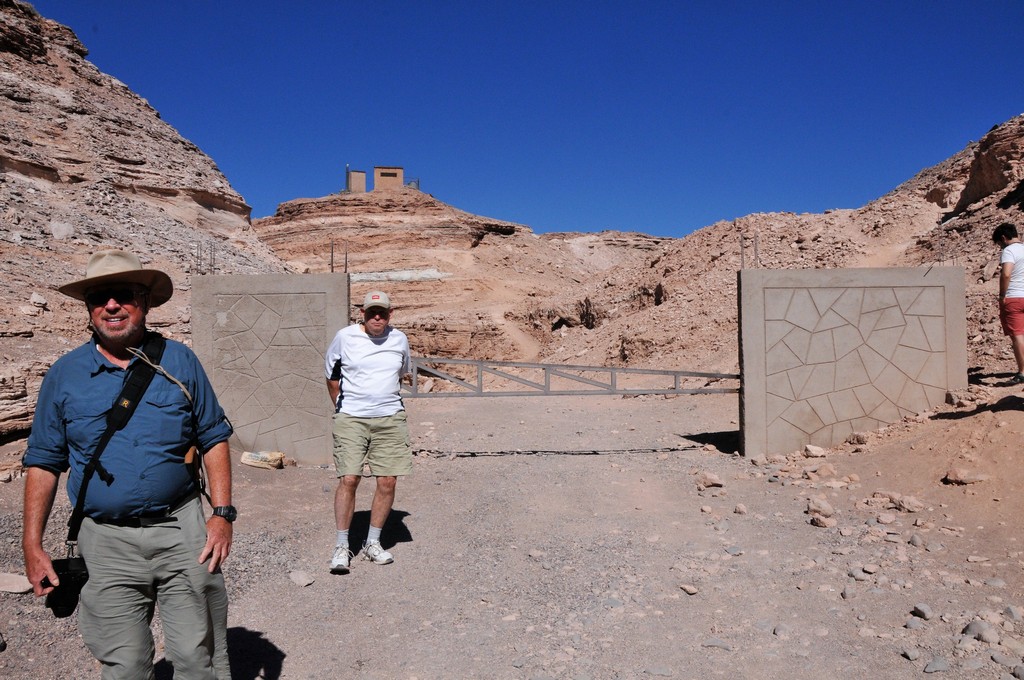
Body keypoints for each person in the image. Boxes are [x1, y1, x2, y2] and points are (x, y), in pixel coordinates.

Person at [22, 250, 236, 680]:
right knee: (125, 664)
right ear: (88, 309)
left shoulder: (180, 362)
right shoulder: (64, 375)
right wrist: (32, 543)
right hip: (105, 542)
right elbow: (44, 462)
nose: (111, 305)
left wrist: (222, 514)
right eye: (99, 297)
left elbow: (213, 437)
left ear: (145, 301)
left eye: (123, 294)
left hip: (181, 531)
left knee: (197, 657)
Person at [324, 290, 412, 573]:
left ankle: (373, 542)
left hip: (390, 418)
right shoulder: (345, 337)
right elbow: (331, 376)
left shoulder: (399, 339)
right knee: (349, 478)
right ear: (362, 313)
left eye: (382, 313)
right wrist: (342, 407)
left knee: (387, 481)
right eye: (371, 312)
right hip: (352, 418)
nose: (377, 317)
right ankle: (342, 545)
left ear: (390, 314)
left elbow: (401, 372)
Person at [993, 222, 1024, 383]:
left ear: (1004, 238)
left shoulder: (1009, 251)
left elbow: (1006, 274)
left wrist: (1002, 295)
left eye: (999, 243)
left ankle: (1022, 372)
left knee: (1017, 335)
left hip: (1013, 297)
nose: (1001, 247)